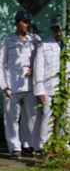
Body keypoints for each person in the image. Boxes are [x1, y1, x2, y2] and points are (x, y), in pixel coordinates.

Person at [0, 9, 42, 159]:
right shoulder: (8, 41)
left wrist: (35, 71)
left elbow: (40, 61)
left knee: (32, 118)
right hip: (12, 86)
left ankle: (31, 145)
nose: (27, 25)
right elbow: (0, 65)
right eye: (24, 21)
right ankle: (15, 148)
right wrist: (4, 85)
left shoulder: (35, 40)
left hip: (30, 86)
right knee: (12, 119)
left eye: (28, 22)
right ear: (17, 23)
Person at [33, 14, 66, 147]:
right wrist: (39, 90)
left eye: (60, 29)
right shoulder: (44, 45)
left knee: (67, 118)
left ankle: (65, 146)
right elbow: (38, 68)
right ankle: (44, 147)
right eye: (55, 29)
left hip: (66, 88)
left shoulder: (68, 44)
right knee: (47, 118)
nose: (58, 33)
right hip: (49, 88)